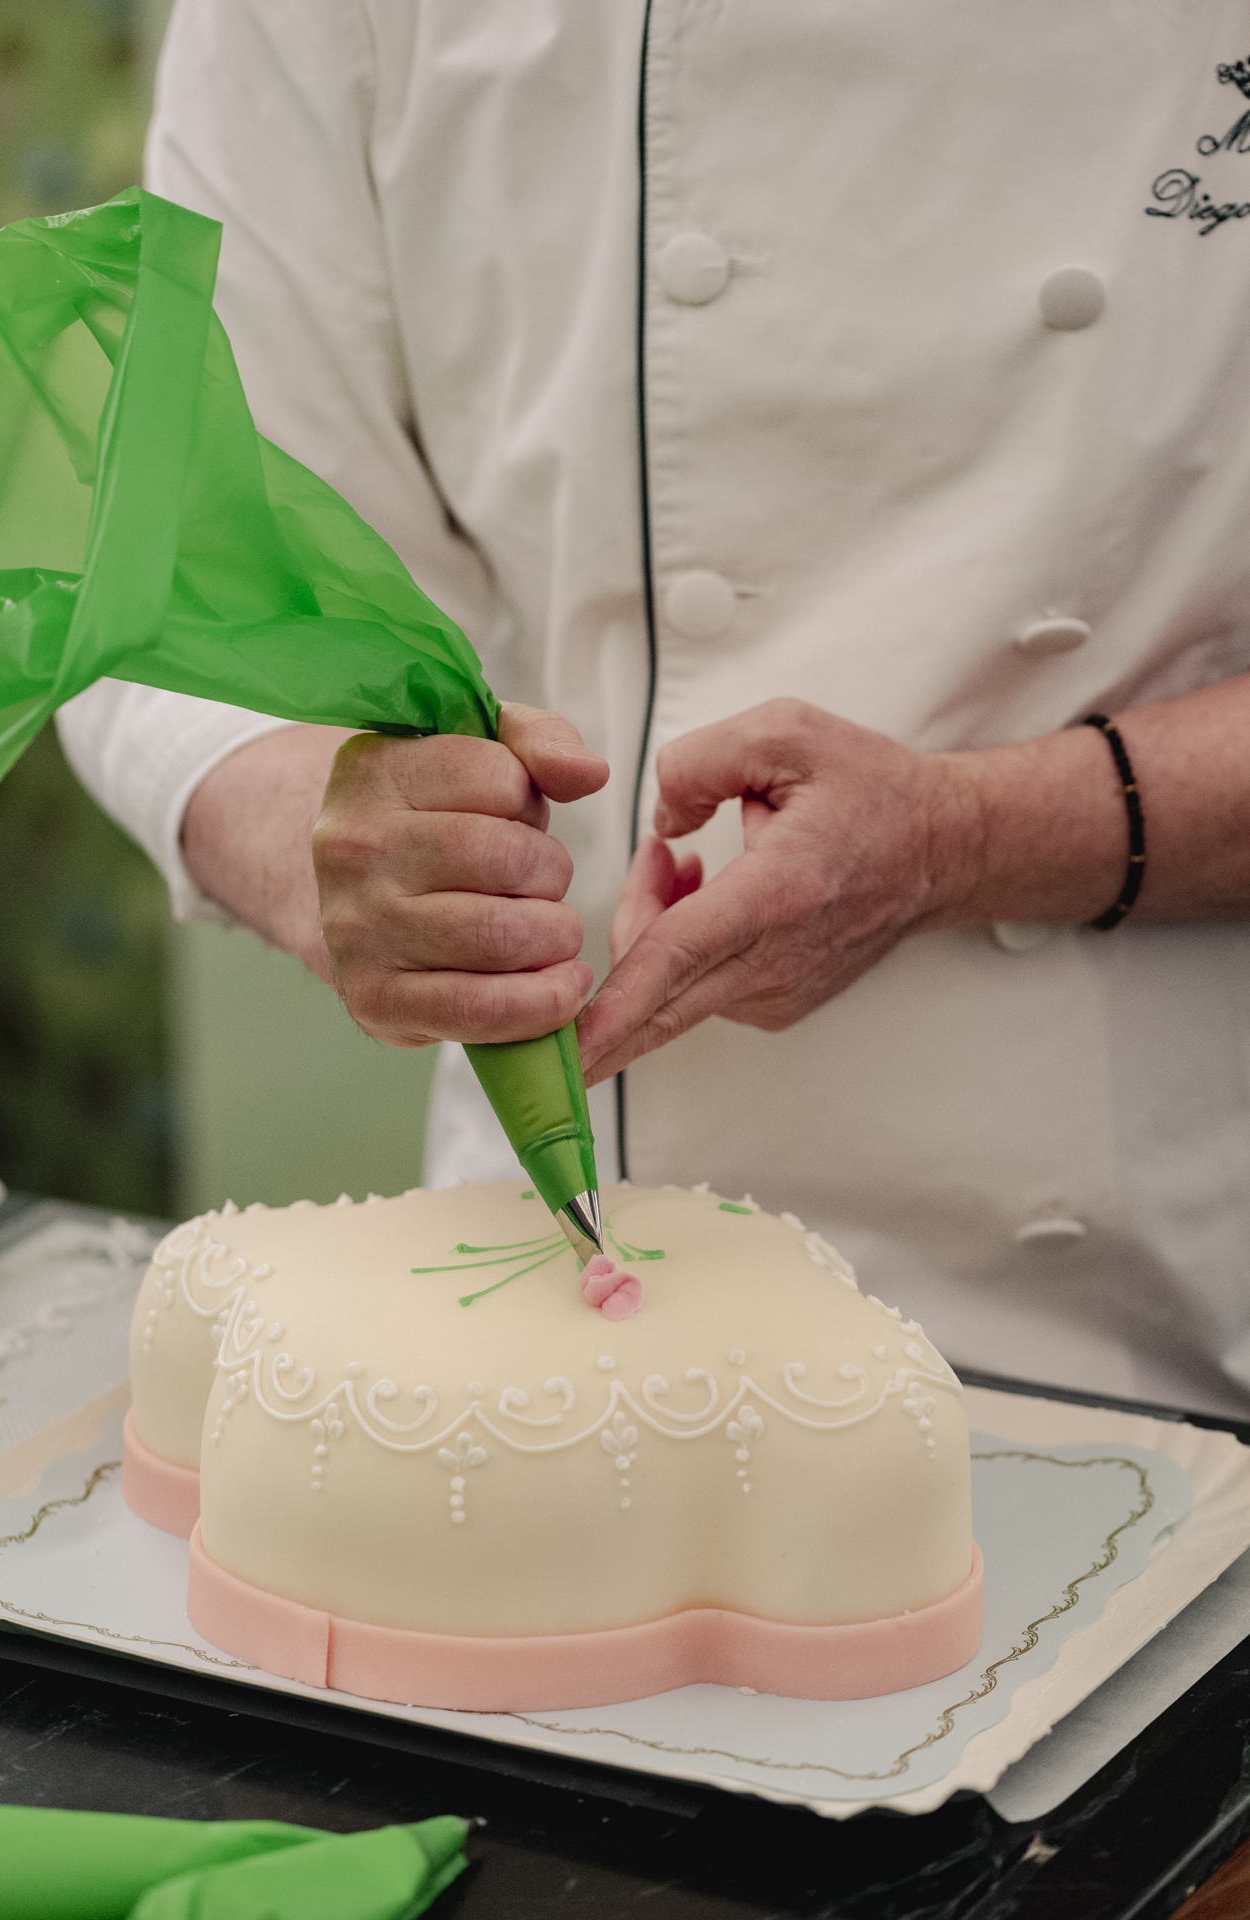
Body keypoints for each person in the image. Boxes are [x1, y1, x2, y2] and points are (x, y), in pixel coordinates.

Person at [60, 3, 1250, 1416]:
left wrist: (973, 835)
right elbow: (158, 572)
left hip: (1184, 1300)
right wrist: (320, 835)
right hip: (568, 1303)